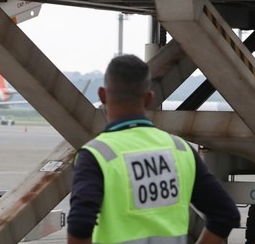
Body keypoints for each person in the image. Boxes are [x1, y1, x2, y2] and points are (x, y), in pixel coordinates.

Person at [67, 54, 240, 244]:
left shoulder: (97, 156)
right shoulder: (180, 150)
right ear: (149, 98)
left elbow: (79, 226)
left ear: (102, 95)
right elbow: (226, 215)